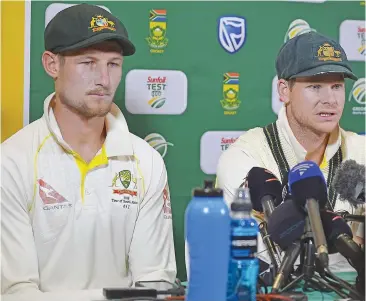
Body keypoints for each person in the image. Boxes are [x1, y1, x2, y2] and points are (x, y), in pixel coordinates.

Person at [1, 4, 176, 300]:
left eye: (113, 64)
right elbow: (15, 293)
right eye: (88, 62)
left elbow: (154, 284)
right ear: (52, 65)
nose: (104, 80)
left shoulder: (147, 161)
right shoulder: (11, 161)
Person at [216, 32, 365, 271]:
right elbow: (249, 263)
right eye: (315, 86)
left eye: (337, 86)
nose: (330, 99)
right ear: (284, 90)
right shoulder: (245, 158)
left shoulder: (361, 153)